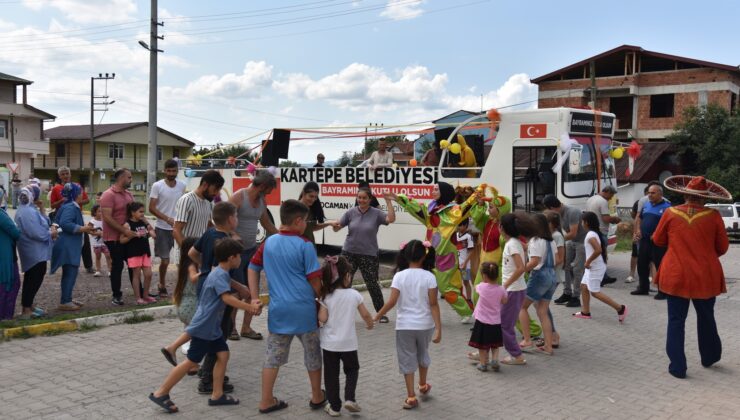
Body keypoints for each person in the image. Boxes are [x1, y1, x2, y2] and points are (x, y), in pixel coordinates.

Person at [148, 238, 262, 413]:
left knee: (223, 355)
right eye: (239, 256)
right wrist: (250, 307)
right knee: (191, 362)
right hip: (205, 327)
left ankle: (217, 395)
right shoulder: (220, 275)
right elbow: (227, 298)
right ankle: (161, 393)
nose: (241, 259)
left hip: (212, 327)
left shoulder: (221, 273)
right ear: (232, 258)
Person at [248, 199, 324, 414]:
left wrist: (254, 297)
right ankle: (317, 396)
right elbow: (315, 281)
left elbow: (252, 268)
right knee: (312, 354)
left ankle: (266, 400)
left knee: (273, 356)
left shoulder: (268, 243)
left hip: (279, 311)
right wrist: (323, 300)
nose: (306, 225)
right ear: (298, 221)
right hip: (305, 311)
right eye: (306, 221)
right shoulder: (305, 245)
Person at [653, 176, 730, 379]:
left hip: (676, 274)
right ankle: (710, 357)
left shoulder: (670, 213)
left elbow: (658, 240)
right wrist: (704, 254)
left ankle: (678, 367)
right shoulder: (713, 216)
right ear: (704, 198)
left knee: (676, 320)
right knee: (706, 317)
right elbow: (722, 247)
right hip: (705, 275)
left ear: (686, 194)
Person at [189, 202, 251, 395]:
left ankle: (212, 372)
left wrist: (204, 270)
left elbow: (192, 253)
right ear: (231, 219)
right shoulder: (223, 242)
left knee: (215, 333)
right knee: (218, 334)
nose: (238, 220)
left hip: (206, 289)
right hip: (220, 296)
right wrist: (239, 286)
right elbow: (221, 273)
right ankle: (208, 377)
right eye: (237, 217)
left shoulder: (209, 234)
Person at [373, 240, 441, 410]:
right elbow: (433, 304)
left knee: (407, 357)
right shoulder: (430, 277)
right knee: (422, 354)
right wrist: (439, 328)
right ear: (424, 256)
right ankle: (423, 385)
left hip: (404, 326)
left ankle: (411, 396)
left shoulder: (399, 276)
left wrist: (377, 316)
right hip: (425, 325)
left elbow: (391, 302)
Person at [395, 182, 477, 317]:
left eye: (436, 189)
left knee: (447, 290)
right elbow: (415, 207)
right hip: (428, 256)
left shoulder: (454, 211)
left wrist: (478, 193)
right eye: (433, 188)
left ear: (443, 192)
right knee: (423, 285)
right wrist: (398, 197)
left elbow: (467, 205)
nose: (432, 191)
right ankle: (425, 312)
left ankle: (468, 312)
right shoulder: (430, 210)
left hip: (446, 259)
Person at [317, 255, 374, 416]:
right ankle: (350, 398)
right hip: (348, 343)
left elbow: (322, 318)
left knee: (331, 375)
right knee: (352, 369)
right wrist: (370, 324)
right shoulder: (354, 294)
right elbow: (365, 315)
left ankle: (334, 407)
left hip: (329, 344)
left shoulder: (326, 296)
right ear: (345, 277)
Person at [229, 170, 278, 340]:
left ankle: (246, 328)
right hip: (235, 253)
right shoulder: (238, 197)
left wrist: (280, 235)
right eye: (270, 189)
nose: (271, 193)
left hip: (251, 250)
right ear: (263, 186)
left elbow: (265, 222)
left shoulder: (261, 200)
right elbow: (224, 221)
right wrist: (233, 235)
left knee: (252, 290)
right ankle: (231, 328)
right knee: (236, 291)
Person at [333, 187, 396, 318]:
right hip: (348, 252)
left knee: (372, 284)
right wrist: (333, 225)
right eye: (359, 198)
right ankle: (340, 312)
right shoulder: (351, 212)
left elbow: (391, 219)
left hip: (369, 254)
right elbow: (337, 229)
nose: (361, 200)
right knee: (344, 283)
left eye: (364, 198)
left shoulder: (376, 213)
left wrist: (388, 202)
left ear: (370, 199)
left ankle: (381, 314)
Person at [572, 211, 628, 322]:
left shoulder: (591, 235)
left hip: (594, 267)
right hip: (593, 266)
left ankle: (620, 308)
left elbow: (598, 250)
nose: (581, 224)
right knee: (584, 287)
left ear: (586, 223)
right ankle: (585, 312)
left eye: (582, 222)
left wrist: (588, 261)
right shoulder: (594, 233)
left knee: (595, 292)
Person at [517, 213, 559, 355]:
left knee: (521, 306)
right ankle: (548, 346)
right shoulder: (551, 241)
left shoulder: (535, 240)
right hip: (552, 275)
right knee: (543, 311)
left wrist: (521, 270)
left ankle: (527, 340)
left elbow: (534, 261)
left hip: (539, 275)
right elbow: (557, 259)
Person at [51, 183, 94, 311]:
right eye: (80, 192)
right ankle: (65, 301)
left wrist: (86, 229)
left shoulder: (69, 206)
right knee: (70, 273)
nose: (82, 194)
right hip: (68, 246)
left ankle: (67, 298)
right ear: (74, 194)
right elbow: (65, 223)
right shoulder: (71, 207)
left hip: (69, 245)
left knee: (69, 273)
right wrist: (83, 228)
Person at [161, 237, 199, 375]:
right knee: (196, 334)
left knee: (195, 335)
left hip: (186, 305)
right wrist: (209, 272)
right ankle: (174, 349)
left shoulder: (185, 264)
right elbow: (194, 278)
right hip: (191, 306)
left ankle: (193, 365)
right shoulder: (191, 266)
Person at [148, 159, 186, 298]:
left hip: (179, 228)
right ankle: (162, 284)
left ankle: (182, 288)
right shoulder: (157, 186)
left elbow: (184, 205)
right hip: (162, 228)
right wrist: (167, 219)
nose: (171, 173)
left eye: (174, 171)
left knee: (182, 260)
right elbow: (151, 208)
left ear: (177, 171)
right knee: (165, 260)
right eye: (169, 171)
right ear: (164, 171)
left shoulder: (182, 185)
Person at [14, 186, 54, 319]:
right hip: (33, 250)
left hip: (36, 250)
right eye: (37, 194)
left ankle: (29, 305)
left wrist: (42, 208)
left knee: (34, 277)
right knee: (33, 278)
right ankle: (26, 309)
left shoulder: (30, 209)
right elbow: (36, 232)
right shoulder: (27, 212)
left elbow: (45, 222)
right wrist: (50, 234)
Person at [99, 168, 135, 305]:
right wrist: (124, 231)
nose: (131, 180)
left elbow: (134, 213)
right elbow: (107, 218)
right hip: (113, 238)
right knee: (117, 265)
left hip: (127, 236)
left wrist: (146, 227)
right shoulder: (108, 195)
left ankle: (139, 291)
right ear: (121, 178)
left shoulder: (129, 195)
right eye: (129, 177)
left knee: (133, 264)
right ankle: (116, 295)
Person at [544, 195, 586, 308]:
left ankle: (576, 297)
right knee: (565, 267)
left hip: (582, 242)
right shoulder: (558, 214)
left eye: (549, 209)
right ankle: (567, 292)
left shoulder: (572, 212)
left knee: (577, 269)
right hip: (570, 242)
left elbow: (573, 233)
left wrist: (553, 240)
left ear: (553, 207)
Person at [497, 213, 527, 366]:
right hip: (513, 289)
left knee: (504, 325)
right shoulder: (513, 243)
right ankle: (487, 350)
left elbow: (521, 268)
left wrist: (505, 285)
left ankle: (517, 355)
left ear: (503, 227)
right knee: (502, 322)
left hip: (513, 290)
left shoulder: (512, 244)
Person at [50, 167, 94, 273]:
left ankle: (89, 266)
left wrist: (75, 203)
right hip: (61, 217)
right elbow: (52, 205)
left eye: (67, 173)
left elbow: (87, 200)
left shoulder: (77, 186)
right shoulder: (56, 189)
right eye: (63, 174)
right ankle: (58, 264)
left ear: (70, 174)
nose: (65, 176)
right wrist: (63, 200)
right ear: (59, 176)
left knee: (85, 240)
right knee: (60, 240)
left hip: (77, 215)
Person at [632, 184, 671, 299]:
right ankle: (643, 288)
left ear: (660, 194)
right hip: (644, 240)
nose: (649, 195)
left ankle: (663, 291)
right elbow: (639, 218)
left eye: (653, 193)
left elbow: (668, 225)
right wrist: (638, 230)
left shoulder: (667, 207)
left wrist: (657, 233)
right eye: (649, 192)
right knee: (642, 264)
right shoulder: (646, 205)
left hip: (658, 243)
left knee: (660, 266)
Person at [467, 262, 506, 372]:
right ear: (497, 276)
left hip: (482, 321)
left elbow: (475, 288)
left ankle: (483, 364)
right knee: (495, 344)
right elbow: (504, 300)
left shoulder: (482, 287)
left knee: (482, 345)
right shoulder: (501, 289)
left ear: (484, 276)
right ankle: (494, 360)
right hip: (495, 321)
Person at [174, 169, 224, 247]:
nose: (217, 193)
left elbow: (209, 225)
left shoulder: (209, 202)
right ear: (204, 185)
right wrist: (186, 252)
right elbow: (176, 230)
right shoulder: (187, 200)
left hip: (199, 252)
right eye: (215, 189)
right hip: (185, 254)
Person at [120, 202, 157, 305]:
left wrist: (150, 234)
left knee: (148, 274)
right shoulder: (127, 224)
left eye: (143, 212)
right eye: (140, 212)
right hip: (134, 253)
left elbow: (148, 233)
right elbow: (122, 240)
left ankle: (145, 295)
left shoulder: (143, 222)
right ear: (132, 212)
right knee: (136, 275)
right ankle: (138, 298)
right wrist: (132, 235)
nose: (142, 214)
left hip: (145, 252)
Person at [585, 185, 621, 286]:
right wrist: (615, 219)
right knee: (602, 255)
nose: (611, 198)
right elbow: (606, 218)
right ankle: (602, 277)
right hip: (601, 231)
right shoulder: (603, 201)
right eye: (611, 195)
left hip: (591, 230)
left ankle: (603, 276)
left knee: (595, 255)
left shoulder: (591, 199)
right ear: (607, 192)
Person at [0, 202, 20, 320]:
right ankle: (5, 316)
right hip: (5, 257)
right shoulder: (1, 215)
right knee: (10, 284)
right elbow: (16, 233)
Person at [456, 219, 475, 309]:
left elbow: (471, 251)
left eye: (460, 225)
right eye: (458, 225)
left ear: (465, 225)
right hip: (456, 264)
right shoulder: (455, 235)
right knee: (458, 282)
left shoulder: (468, 236)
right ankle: (460, 299)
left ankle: (468, 299)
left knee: (466, 282)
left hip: (465, 265)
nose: (458, 227)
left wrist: (465, 263)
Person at [88, 205, 111, 277]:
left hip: (106, 242)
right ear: (94, 213)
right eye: (99, 211)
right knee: (98, 256)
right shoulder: (92, 222)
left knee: (108, 255)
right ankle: (98, 270)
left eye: (102, 211)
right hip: (96, 243)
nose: (101, 213)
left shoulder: (105, 220)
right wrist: (96, 233)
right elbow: (88, 231)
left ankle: (110, 270)